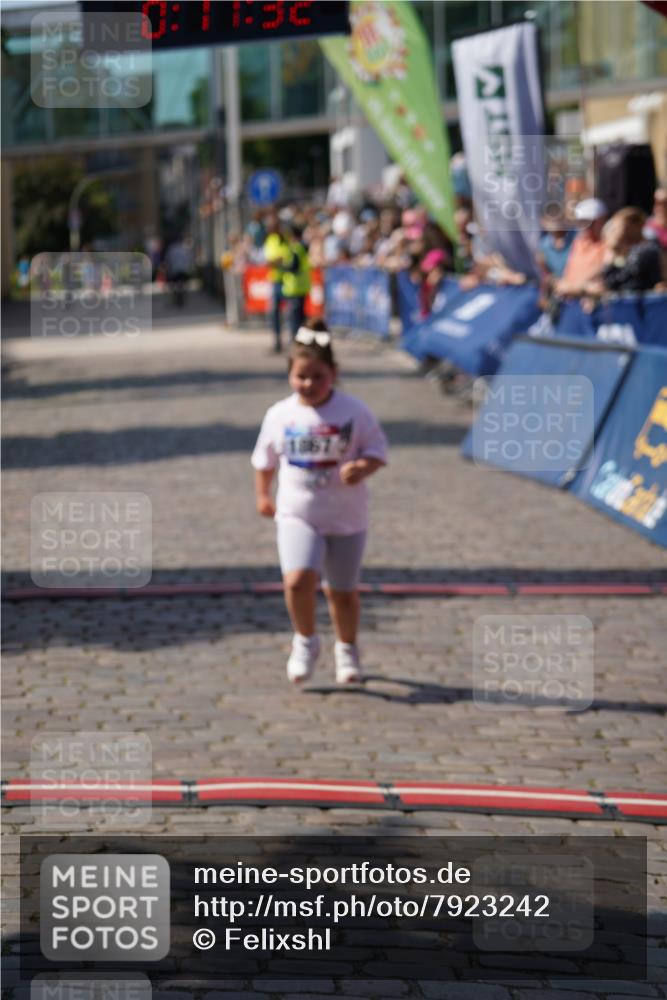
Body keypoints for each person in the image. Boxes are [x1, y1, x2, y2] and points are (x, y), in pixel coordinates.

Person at [251, 322, 388, 685]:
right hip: (297, 513)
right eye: (300, 377)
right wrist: (263, 495)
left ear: (334, 374)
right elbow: (264, 462)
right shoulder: (280, 414)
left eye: (317, 376)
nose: (308, 384)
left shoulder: (355, 411)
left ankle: (347, 649)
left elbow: (378, 451)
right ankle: (305, 640)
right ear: (289, 376)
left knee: (342, 592)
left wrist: (363, 466)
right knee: (296, 581)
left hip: (346, 516)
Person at [554, 198, 608, 297]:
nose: (585, 227)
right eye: (582, 223)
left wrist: (576, 288)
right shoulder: (578, 243)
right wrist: (582, 287)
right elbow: (563, 283)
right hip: (569, 304)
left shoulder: (609, 246)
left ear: (602, 220)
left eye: (590, 222)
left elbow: (599, 283)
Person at [263, 215, 289, 352]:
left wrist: (278, 261)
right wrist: (280, 261)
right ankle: (277, 341)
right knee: (274, 313)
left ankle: (295, 341)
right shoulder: (271, 240)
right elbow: (270, 261)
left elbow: (287, 259)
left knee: (291, 314)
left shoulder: (285, 240)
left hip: (289, 281)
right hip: (276, 281)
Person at [281, 222, 311, 339]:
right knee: (300, 317)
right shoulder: (302, 247)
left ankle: (297, 341)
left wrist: (282, 266)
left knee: (295, 318)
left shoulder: (296, 249)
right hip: (301, 287)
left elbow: (294, 267)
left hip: (295, 288)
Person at [164, 236, 193, 307]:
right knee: (183, 285)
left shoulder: (171, 249)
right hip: (184, 270)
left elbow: (168, 260)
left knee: (174, 286)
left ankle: (176, 297)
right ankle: (182, 296)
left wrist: (168, 269)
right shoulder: (185, 248)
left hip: (174, 270)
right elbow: (189, 259)